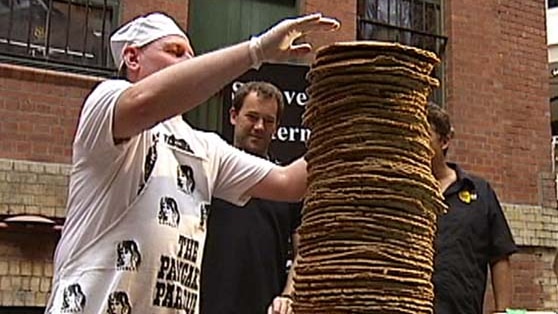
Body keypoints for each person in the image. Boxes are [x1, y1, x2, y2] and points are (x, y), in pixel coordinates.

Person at [46, 11, 339, 314]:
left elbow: (288, 183)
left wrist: (355, 122)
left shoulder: (205, 147)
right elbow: (145, 102)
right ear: (132, 58)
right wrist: (257, 51)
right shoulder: (106, 102)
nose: (187, 61)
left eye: (191, 54)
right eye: (174, 51)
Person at [200, 81, 300, 314]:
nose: (259, 126)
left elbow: (302, 252)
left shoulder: (289, 187)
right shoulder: (207, 172)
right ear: (233, 116)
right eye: (252, 117)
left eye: (268, 121)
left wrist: (287, 295)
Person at [428, 103, 518, 314]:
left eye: (424, 135)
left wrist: (501, 310)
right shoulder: (401, 193)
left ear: (444, 141)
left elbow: (500, 255)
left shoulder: (480, 192)